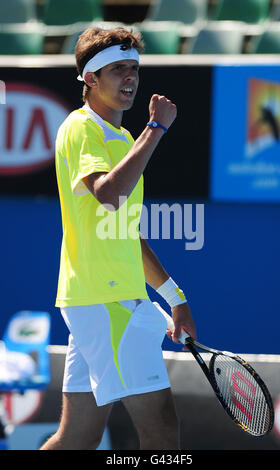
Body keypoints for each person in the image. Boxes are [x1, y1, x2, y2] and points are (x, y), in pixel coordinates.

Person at [41, 27, 196, 451]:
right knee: (162, 431)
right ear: (90, 79)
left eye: (134, 68)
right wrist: (156, 129)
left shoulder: (124, 139)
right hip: (107, 303)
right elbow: (109, 196)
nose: (130, 78)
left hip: (105, 301)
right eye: (117, 70)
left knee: (77, 438)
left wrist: (174, 296)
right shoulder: (81, 127)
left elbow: (124, 232)